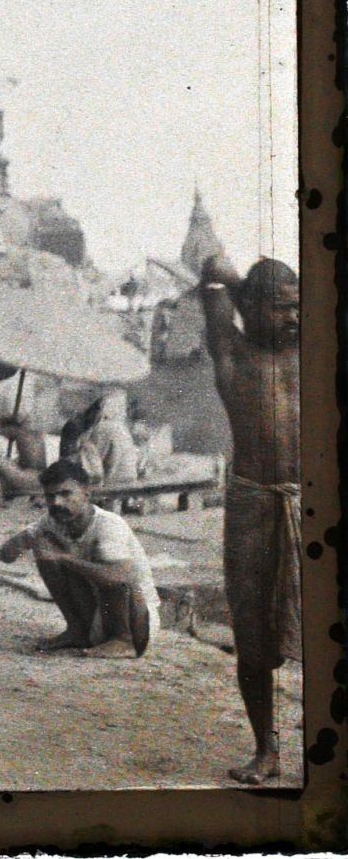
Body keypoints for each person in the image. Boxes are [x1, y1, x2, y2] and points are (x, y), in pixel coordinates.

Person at [200, 252, 301, 786]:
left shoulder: (314, 347)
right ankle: (267, 751)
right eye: (282, 308)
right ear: (252, 308)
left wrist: (266, 295)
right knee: (252, 634)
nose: (293, 318)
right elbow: (211, 270)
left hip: (311, 501)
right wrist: (242, 288)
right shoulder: (231, 352)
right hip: (250, 504)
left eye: (298, 307)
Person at [0, 459, 160, 660]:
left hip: (138, 624)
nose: (56, 502)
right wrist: (25, 539)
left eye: (65, 494)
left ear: (86, 493)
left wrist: (63, 557)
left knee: (110, 569)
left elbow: (118, 577)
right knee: (45, 552)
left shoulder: (108, 524)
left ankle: (122, 641)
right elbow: (5, 556)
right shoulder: (53, 520)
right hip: (98, 615)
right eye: (50, 496)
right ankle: (77, 631)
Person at [0, 412, 49, 504]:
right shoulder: (33, 434)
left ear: (12, 428)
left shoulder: (21, 434)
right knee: (1, 465)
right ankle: (6, 493)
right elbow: (28, 463)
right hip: (41, 481)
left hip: (31, 480)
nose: (3, 435)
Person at [76, 389, 142, 485]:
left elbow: (94, 469)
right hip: (129, 484)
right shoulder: (122, 429)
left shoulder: (104, 428)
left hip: (112, 487)